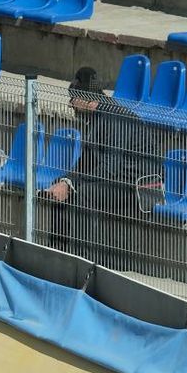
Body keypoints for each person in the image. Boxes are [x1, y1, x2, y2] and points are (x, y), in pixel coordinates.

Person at [40, 66, 154, 268]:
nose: (71, 104)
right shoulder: (96, 118)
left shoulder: (113, 117)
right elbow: (87, 162)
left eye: (74, 98)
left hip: (142, 187)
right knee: (61, 189)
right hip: (119, 178)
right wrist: (65, 181)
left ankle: (84, 265)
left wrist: (73, 184)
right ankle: (57, 256)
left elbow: (111, 166)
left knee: (83, 194)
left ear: (88, 99)